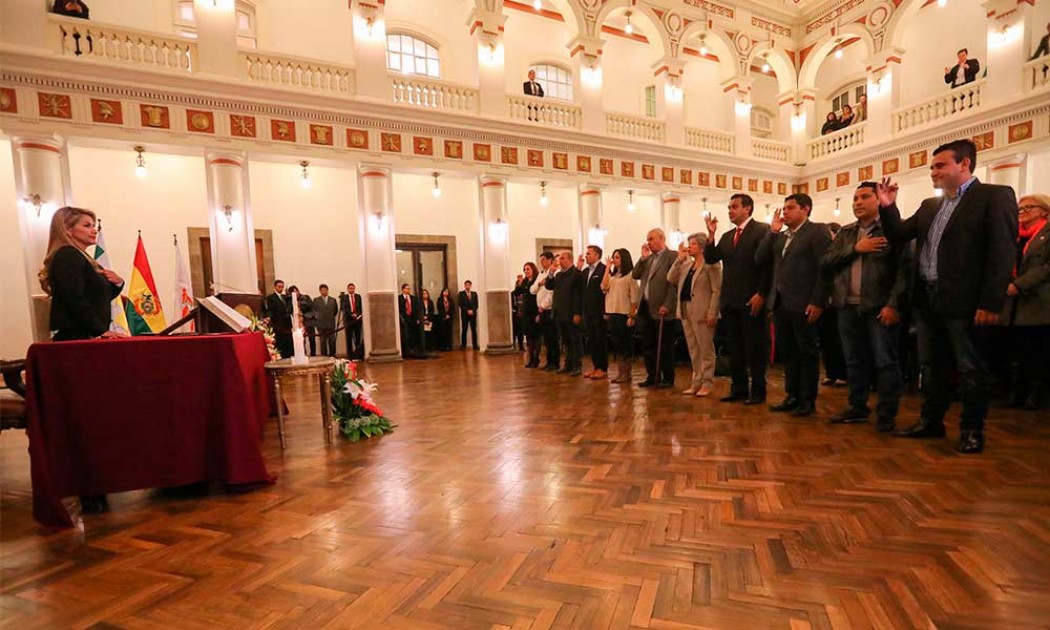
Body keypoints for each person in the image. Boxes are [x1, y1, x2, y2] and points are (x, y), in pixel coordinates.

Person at [877, 139, 1017, 454]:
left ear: (964, 164)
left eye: (940, 165)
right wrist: (887, 207)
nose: (934, 172)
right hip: (928, 299)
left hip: (967, 302)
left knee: (970, 369)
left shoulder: (993, 197)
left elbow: (1002, 252)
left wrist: (990, 302)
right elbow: (899, 234)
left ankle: (971, 431)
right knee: (932, 366)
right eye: (932, 167)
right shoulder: (930, 206)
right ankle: (931, 422)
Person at [39, 206, 125, 514]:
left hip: (87, 338)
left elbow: (92, 298)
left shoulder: (82, 259)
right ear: (68, 228)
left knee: (96, 417)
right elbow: (74, 300)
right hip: (76, 341)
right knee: (85, 418)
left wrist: (115, 285)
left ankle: (96, 483)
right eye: (87, 225)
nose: (94, 230)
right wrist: (101, 330)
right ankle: (87, 486)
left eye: (95, 225)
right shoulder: (66, 257)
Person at [821, 182, 910, 431]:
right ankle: (857, 407)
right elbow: (826, 262)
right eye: (855, 198)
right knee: (854, 361)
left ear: (879, 199)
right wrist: (855, 249)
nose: (858, 202)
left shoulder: (892, 230)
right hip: (847, 307)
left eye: (865, 197)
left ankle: (886, 414)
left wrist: (893, 304)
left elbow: (904, 271)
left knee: (885, 362)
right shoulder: (847, 233)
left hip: (878, 308)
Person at [756, 194, 833, 417]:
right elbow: (760, 258)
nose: (785, 212)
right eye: (784, 208)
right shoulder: (781, 237)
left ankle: (807, 400)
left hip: (804, 302)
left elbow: (824, 269)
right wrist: (772, 231)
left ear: (805, 209)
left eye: (790, 208)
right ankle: (792, 395)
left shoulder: (816, 231)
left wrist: (818, 301)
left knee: (806, 353)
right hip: (781, 303)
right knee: (788, 353)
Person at [705, 194, 772, 405]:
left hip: (752, 299)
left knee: (755, 349)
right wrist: (710, 235)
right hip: (730, 301)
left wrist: (761, 293)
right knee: (735, 349)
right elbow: (710, 258)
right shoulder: (726, 236)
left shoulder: (762, 230)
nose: (730, 210)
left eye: (734, 207)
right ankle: (739, 388)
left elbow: (767, 266)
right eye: (729, 207)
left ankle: (758, 391)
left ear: (747, 209)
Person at [1002, 194, 1050, 410]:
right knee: (1015, 349)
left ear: (1044, 211)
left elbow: (1046, 268)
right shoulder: (1015, 236)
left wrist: (1019, 284)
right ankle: (1015, 391)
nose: (1022, 212)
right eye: (1020, 208)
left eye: (1029, 207)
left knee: (1036, 350)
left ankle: (1034, 393)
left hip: (1038, 300)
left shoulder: (1046, 235)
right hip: (1013, 304)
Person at [667, 233, 722, 397]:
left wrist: (712, 312)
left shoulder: (711, 265)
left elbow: (716, 290)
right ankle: (696, 381)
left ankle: (707, 382)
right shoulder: (686, 265)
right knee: (693, 348)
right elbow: (670, 278)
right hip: (685, 308)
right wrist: (679, 259)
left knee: (705, 348)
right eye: (689, 244)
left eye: (693, 244)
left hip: (703, 310)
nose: (689, 247)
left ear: (702, 247)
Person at [632, 229, 679, 388]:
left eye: (651, 239)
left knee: (665, 346)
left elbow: (674, 284)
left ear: (661, 238)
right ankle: (653, 376)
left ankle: (668, 378)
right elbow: (636, 274)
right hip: (646, 307)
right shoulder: (648, 259)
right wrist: (643, 258)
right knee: (648, 345)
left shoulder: (672, 256)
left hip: (663, 308)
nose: (648, 242)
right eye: (647, 239)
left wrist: (667, 304)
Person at [601, 248, 639, 383]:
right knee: (617, 344)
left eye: (617, 257)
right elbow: (604, 287)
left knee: (625, 344)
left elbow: (635, 296)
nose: (614, 259)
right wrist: (607, 269)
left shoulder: (630, 276)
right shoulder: (612, 276)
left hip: (624, 313)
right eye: (613, 257)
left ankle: (626, 373)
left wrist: (632, 315)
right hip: (613, 312)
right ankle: (620, 372)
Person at [819, 222, 849, 387]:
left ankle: (842, 373)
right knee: (826, 338)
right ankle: (831, 372)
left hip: (839, 300)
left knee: (839, 339)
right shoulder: (827, 253)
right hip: (826, 301)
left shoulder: (841, 252)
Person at [547, 251, 584, 376]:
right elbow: (549, 286)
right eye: (559, 258)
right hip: (559, 312)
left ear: (570, 260)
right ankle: (568, 365)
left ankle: (576, 365)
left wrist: (577, 313)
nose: (559, 261)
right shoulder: (558, 275)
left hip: (571, 312)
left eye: (562, 258)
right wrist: (551, 273)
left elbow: (578, 295)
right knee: (566, 340)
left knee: (575, 340)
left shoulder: (575, 273)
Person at [580, 245, 608, 379]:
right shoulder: (585, 272)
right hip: (587, 310)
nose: (586, 256)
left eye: (589, 254)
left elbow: (606, 291)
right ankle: (596, 366)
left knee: (600, 339)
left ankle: (603, 368)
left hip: (599, 311)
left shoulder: (603, 269)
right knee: (592, 340)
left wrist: (605, 310)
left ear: (597, 255)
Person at [532, 252, 560, 371]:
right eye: (540, 260)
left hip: (549, 309)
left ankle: (555, 362)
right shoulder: (540, 274)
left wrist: (543, 305)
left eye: (543, 260)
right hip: (542, 310)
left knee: (552, 338)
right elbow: (532, 290)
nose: (541, 262)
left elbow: (552, 293)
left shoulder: (555, 273)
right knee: (547, 339)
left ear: (550, 260)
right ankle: (549, 361)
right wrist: (539, 283)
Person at [263, 279, 293, 358]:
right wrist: (269, 317)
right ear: (275, 287)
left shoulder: (285, 297)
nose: (281, 288)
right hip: (278, 323)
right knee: (281, 342)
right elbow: (270, 310)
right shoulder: (271, 297)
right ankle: (281, 357)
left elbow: (289, 308)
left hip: (287, 323)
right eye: (279, 287)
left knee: (288, 342)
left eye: (282, 287)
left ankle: (288, 356)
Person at [521, 262, 541, 368]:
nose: (526, 271)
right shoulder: (525, 282)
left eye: (528, 269)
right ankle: (531, 358)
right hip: (526, 312)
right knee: (529, 337)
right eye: (525, 269)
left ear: (533, 269)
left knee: (536, 336)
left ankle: (536, 358)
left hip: (534, 311)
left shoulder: (536, 281)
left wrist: (538, 313)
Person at [312, 284, 339, 357]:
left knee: (332, 342)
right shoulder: (316, 300)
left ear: (327, 290)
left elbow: (335, 311)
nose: (324, 291)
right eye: (322, 290)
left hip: (331, 324)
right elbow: (314, 311)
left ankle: (333, 356)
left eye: (325, 290)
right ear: (320, 291)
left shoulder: (333, 300)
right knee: (323, 342)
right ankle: (324, 357)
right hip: (321, 325)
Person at [288, 285, 315, 356]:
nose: (295, 293)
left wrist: (299, 303)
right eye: (292, 293)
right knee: (301, 340)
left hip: (308, 320)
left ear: (298, 290)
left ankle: (313, 354)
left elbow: (310, 306)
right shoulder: (291, 300)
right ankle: (303, 354)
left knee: (312, 339)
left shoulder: (306, 297)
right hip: (298, 322)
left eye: (295, 291)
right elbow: (289, 310)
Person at [339, 283, 364, 359]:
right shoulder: (344, 298)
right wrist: (351, 314)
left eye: (353, 288)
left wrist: (357, 314)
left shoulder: (358, 296)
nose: (351, 290)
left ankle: (358, 355)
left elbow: (361, 307)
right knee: (349, 339)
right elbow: (343, 308)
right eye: (350, 288)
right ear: (348, 289)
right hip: (348, 321)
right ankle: (350, 355)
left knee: (358, 338)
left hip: (357, 321)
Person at [398, 283, 423, 357]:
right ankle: (405, 351)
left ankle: (413, 351)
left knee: (413, 335)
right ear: (403, 289)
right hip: (404, 320)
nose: (408, 290)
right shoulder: (399, 298)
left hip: (413, 319)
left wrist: (418, 318)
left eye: (409, 288)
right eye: (407, 288)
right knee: (405, 335)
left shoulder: (414, 298)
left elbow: (417, 309)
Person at [458, 280, 479, 350]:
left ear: (470, 285)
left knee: (474, 330)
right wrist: (467, 310)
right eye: (466, 285)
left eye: (469, 285)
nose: (467, 286)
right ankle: (463, 346)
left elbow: (476, 304)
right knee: (464, 329)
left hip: (473, 314)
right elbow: (460, 304)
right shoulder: (461, 294)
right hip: (465, 314)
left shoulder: (474, 294)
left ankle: (475, 345)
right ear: (464, 285)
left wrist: (473, 310)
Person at [512, 274, 526, 351]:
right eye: (518, 283)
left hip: (523, 314)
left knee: (521, 331)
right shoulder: (512, 293)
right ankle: (513, 345)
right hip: (515, 314)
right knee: (514, 331)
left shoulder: (524, 293)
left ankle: (521, 346)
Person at [420, 289, 436, 353]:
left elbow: (432, 311)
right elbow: (419, 310)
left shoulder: (430, 302)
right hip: (422, 319)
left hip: (429, 319)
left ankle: (430, 348)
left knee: (430, 334)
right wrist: (423, 317)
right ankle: (424, 348)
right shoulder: (420, 302)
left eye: (426, 293)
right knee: (424, 334)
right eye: (423, 293)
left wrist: (428, 317)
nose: (425, 294)